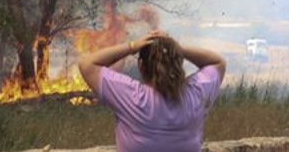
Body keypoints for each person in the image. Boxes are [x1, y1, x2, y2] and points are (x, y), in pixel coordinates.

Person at [78, 30, 226, 152]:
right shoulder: (195, 95)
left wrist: (132, 46)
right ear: (179, 64)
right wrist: (176, 48)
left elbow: (87, 64)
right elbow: (217, 62)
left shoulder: (132, 97)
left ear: (141, 67)